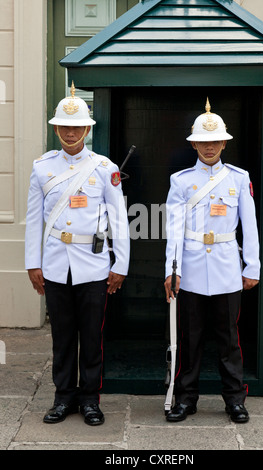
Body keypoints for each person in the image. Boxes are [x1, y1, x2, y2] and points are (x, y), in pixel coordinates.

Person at [25, 83, 130, 426]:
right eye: (64, 127)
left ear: (87, 129)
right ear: (56, 129)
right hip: (55, 264)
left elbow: (119, 221)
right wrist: (33, 263)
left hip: (94, 265)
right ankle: (63, 397)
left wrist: (120, 264)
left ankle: (90, 399)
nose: (70, 133)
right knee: (63, 336)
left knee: (92, 335)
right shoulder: (42, 167)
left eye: (77, 127)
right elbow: (33, 220)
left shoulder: (104, 168)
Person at [164, 98, 260, 424]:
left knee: (228, 341)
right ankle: (185, 399)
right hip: (189, 268)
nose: (209, 147)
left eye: (215, 141)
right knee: (189, 340)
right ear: (193, 143)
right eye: (203, 142)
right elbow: (174, 231)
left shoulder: (237, 178)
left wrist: (253, 266)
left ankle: (234, 399)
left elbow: (250, 226)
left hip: (226, 268)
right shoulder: (181, 181)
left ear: (223, 142)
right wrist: (171, 271)